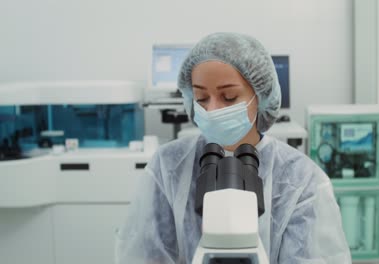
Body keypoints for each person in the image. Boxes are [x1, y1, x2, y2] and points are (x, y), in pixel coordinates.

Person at [116, 32, 351, 264]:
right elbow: (143, 255)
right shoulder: (168, 166)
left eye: (228, 97)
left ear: (260, 96)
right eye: (201, 98)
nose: (213, 109)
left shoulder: (301, 179)